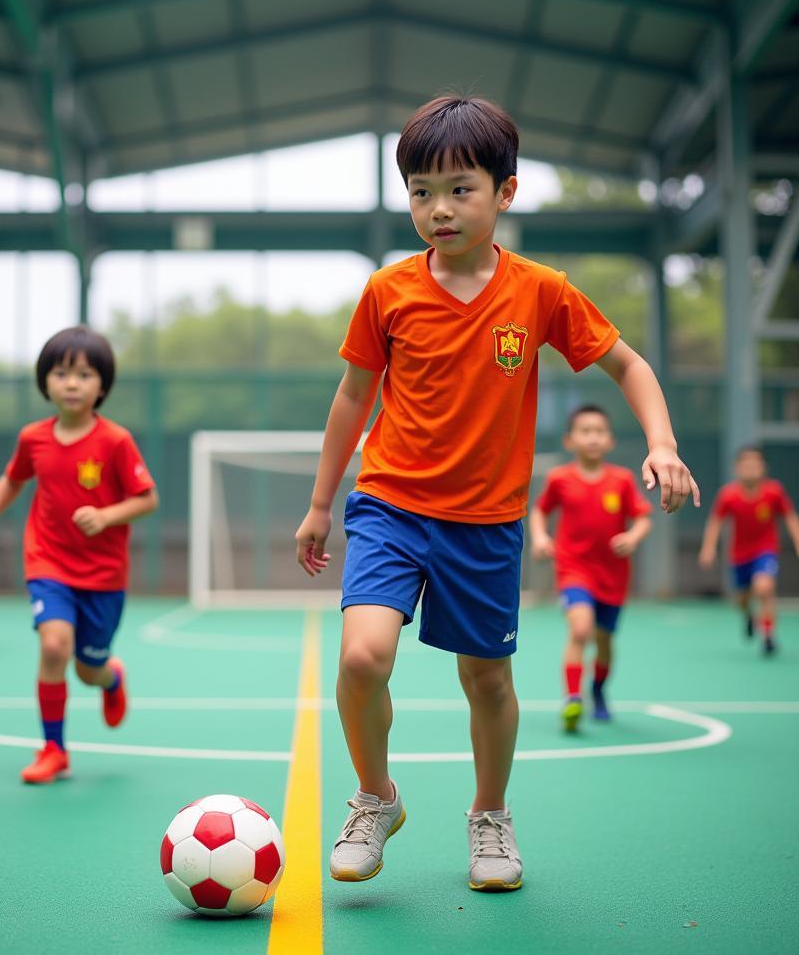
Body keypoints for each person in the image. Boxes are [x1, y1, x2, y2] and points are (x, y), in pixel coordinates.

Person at [294, 95, 699, 893]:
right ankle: (376, 796)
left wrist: (662, 444)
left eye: (458, 189)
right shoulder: (388, 291)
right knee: (364, 654)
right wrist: (320, 502)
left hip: (486, 523)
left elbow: (630, 366)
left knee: (486, 679)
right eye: (419, 191)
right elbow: (352, 396)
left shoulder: (541, 291)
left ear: (504, 193)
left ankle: (490, 818)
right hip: (390, 504)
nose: (437, 209)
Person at [0, 326, 158, 784]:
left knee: (87, 670)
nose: (71, 383)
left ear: (102, 386)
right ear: (45, 381)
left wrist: (107, 515)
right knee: (53, 646)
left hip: (103, 576)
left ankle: (111, 678)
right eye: (60, 372)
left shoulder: (115, 441)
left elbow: (147, 499)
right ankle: (54, 749)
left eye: (84, 374)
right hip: (48, 562)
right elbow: (12, 480)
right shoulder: (33, 438)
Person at [529, 405, 652, 730]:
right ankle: (573, 698)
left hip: (613, 574)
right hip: (573, 569)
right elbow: (540, 511)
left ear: (610, 441)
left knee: (605, 639)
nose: (593, 437)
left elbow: (642, 517)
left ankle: (597, 689)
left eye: (599, 431)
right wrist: (541, 537)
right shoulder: (560, 478)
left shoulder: (622, 480)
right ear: (570, 440)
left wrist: (633, 536)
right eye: (585, 431)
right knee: (580, 629)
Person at [699, 445, 799, 655]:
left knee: (764, 587)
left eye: (755, 464)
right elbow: (716, 522)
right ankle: (748, 617)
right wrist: (708, 548)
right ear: (737, 469)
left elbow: (790, 517)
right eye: (746, 465)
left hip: (765, 551)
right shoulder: (728, 495)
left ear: (764, 468)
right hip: (739, 556)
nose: (750, 469)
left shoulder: (774, 492)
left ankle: (769, 636)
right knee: (742, 601)